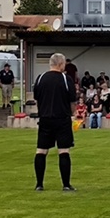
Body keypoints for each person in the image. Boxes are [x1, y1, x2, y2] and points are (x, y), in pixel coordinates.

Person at [32, 53, 76, 191]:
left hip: (45, 119)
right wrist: (72, 113)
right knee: (64, 151)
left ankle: (39, 184)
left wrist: (42, 112)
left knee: (41, 151)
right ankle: (66, 185)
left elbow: (37, 99)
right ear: (61, 64)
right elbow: (72, 101)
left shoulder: (40, 78)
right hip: (62, 118)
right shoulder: (65, 79)